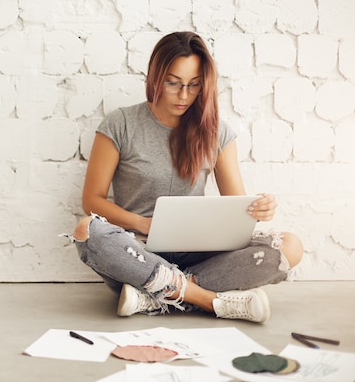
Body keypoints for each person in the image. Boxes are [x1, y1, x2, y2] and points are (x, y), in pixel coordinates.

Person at [66, 31, 303, 323]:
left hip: (198, 251)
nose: (183, 96)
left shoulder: (217, 132)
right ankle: (207, 299)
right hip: (137, 253)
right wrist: (144, 225)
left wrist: (259, 207)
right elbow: (92, 200)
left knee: (290, 245)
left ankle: (153, 297)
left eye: (193, 86)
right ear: (155, 76)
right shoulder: (120, 124)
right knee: (87, 229)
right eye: (173, 83)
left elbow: (237, 206)